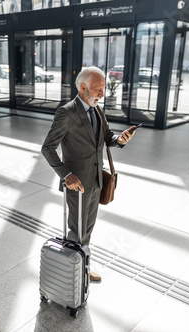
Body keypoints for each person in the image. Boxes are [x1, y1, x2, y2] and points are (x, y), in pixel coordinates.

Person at [41, 66, 137, 282]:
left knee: (88, 228)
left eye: (103, 88)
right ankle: (70, 274)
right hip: (77, 184)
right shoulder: (66, 113)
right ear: (83, 87)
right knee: (76, 230)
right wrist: (66, 175)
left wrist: (119, 140)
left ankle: (82, 267)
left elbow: (107, 137)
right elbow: (47, 148)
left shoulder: (96, 109)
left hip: (95, 181)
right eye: (97, 89)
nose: (102, 94)